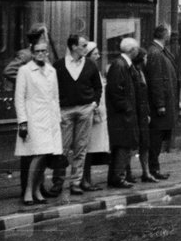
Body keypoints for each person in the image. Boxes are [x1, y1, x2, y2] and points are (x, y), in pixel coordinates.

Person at [14, 38, 62, 205]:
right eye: (38, 51)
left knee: (46, 154)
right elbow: (19, 98)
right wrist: (22, 121)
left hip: (50, 119)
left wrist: (58, 118)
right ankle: (28, 190)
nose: (41, 54)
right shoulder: (25, 71)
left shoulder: (51, 71)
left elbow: (55, 97)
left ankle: (37, 190)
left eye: (44, 51)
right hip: (33, 118)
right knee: (38, 154)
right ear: (32, 53)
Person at [53, 34, 103, 195]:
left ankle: (75, 182)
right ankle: (58, 182)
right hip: (65, 110)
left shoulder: (90, 65)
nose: (85, 48)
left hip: (85, 109)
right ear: (73, 47)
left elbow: (97, 86)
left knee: (81, 148)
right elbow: (53, 89)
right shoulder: (59, 65)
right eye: (83, 45)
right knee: (62, 148)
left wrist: (94, 103)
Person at [144, 23, 179, 180]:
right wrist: (160, 104)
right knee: (155, 139)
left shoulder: (160, 52)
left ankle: (153, 168)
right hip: (160, 106)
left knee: (158, 138)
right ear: (165, 35)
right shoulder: (155, 53)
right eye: (169, 33)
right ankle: (153, 169)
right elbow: (156, 81)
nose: (171, 36)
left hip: (165, 103)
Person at [105, 38, 139, 189]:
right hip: (121, 115)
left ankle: (118, 176)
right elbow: (115, 91)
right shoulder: (120, 65)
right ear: (132, 51)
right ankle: (118, 177)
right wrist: (127, 108)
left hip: (123, 113)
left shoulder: (123, 64)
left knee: (123, 145)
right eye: (137, 49)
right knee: (122, 145)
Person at [82, 41, 108, 191]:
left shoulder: (95, 70)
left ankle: (87, 179)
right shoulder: (88, 71)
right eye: (95, 53)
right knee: (86, 148)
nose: (98, 56)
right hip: (92, 114)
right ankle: (84, 180)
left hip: (98, 115)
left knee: (91, 149)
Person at [130, 47, 156, 183]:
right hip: (136, 113)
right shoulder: (132, 72)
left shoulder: (142, 72)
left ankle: (146, 172)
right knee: (132, 143)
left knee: (145, 143)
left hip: (144, 113)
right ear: (140, 58)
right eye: (145, 57)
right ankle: (126, 173)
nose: (147, 59)